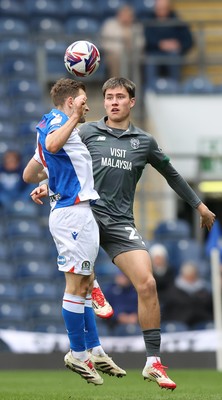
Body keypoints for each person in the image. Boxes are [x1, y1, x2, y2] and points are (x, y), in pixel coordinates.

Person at [26, 77, 216, 391]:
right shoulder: (85, 130)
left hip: (119, 223)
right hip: (87, 214)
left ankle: (153, 361)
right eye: (109, 97)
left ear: (131, 102)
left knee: (147, 282)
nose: (113, 102)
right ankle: (91, 333)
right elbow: (64, 163)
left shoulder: (144, 141)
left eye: (120, 97)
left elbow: (172, 175)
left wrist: (199, 206)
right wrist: (47, 184)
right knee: (80, 282)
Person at [23, 78, 126, 385]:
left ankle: (93, 350)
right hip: (71, 213)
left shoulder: (61, 129)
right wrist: (70, 120)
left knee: (84, 283)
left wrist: (48, 180)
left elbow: (30, 172)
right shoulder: (57, 123)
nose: (87, 106)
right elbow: (52, 144)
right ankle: (78, 354)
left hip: (79, 210)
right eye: (83, 101)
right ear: (70, 102)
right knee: (76, 285)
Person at [144, 0, 193, 89]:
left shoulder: (178, 22)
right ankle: (150, 90)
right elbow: (145, 41)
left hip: (173, 54)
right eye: (159, 8)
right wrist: (159, 44)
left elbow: (188, 41)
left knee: (173, 57)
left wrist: (178, 45)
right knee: (151, 60)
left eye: (164, 8)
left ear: (169, 8)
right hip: (154, 53)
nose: (161, 11)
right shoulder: (148, 23)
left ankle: (175, 89)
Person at [162, 261, 213, 329]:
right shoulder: (172, 291)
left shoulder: (204, 290)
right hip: (180, 324)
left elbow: (209, 307)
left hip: (202, 322)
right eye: (188, 276)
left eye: (192, 276)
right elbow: (167, 311)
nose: (190, 279)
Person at [100, 4, 145, 78]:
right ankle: (116, 84)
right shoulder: (110, 25)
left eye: (129, 16)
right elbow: (105, 43)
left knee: (137, 59)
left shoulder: (136, 27)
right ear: (119, 15)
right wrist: (121, 51)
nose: (126, 18)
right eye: (124, 15)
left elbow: (141, 43)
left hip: (132, 54)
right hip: (114, 54)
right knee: (116, 59)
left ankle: (134, 85)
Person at [103, 270, 140, 336]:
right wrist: (117, 316)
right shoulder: (110, 290)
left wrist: (137, 316)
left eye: (124, 277)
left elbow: (141, 306)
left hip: (135, 322)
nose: (121, 279)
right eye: (120, 276)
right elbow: (104, 308)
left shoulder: (135, 290)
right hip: (114, 323)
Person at [149, 243, 175, 309]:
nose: (158, 261)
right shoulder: (149, 272)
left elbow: (171, 288)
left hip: (168, 300)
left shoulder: (170, 271)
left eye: (160, 258)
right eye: (156, 258)